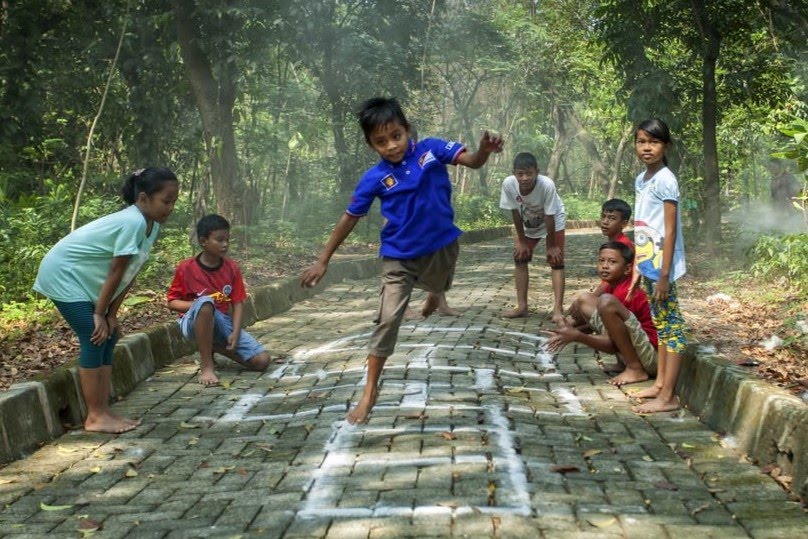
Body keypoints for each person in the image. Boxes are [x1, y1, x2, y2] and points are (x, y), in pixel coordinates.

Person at [300, 96, 503, 424]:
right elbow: (348, 218)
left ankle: (433, 297)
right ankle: (369, 393)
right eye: (381, 142)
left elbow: (473, 161)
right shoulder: (374, 178)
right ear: (371, 145)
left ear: (407, 130)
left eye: (396, 136)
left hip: (442, 247)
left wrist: (484, 152)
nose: (391, 146)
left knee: (439, 286)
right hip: (398, 257)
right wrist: (323, 260)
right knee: (387, 321)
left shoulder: (432, 149)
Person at [33, 167, 180, 434]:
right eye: (165, 201)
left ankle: (102, 410)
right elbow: (116, 269)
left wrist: (112, 314)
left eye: (173, 202)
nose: (170, 208)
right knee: (93, 334)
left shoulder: (151, 226)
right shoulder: (132, 222)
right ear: (144, 198)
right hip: (62, 273)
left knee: (110, 335)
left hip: (81, 280)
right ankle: (95, 416)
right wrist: (99, 314)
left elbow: (129, 273)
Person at [167, 214, 271, 386]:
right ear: (203, 241)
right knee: (206, 303)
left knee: (262, 361)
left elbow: (237, 303)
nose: (225, 244)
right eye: (219, 240)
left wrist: (235, 333)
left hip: (222, 323)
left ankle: (213, 346)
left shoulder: (231, 268)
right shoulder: (186, 268)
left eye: (227, 239)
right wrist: (198, 307)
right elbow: (172, 302)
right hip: (191, 323)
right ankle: (207, 365)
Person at [629, 118, 687, 413]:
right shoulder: (642, 179)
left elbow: (670, 228)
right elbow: (643, 224)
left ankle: (669, 396)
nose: (647, 148)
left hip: (664, 266)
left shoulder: (666, 179)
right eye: (641, 142)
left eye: (654, 142)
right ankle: (660, 385)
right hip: (649, 263)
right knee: (661, 324)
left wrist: (664, 275)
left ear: (666, 146)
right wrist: (640, 264)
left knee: (673, 327)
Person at [544, 242, 658, 387]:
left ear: (628, 269)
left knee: (605, 302)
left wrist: (576, 336)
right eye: (601, 261)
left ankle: (635, 369)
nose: (605, 266)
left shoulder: (627, 293)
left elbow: (612, 344)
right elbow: (614, 330)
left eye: (612, 262)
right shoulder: (613, 287)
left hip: (650, 357)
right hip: (637, 349)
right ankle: (622, 363)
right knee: (584, 299)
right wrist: (570, 331)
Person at [499, 152, 566, 323]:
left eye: (529, 174)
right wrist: (521, 241)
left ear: (537, 172)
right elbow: (514, 212)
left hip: (553, 220)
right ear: (514, 173)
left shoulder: (547, 185)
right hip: (528, 221)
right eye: (520, 174)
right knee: (520, 258)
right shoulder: (508, 184)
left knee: (556, 260)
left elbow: (550, 216)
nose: (525, 178)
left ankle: (558, 309)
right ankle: (522, 306)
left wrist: (551, 246)